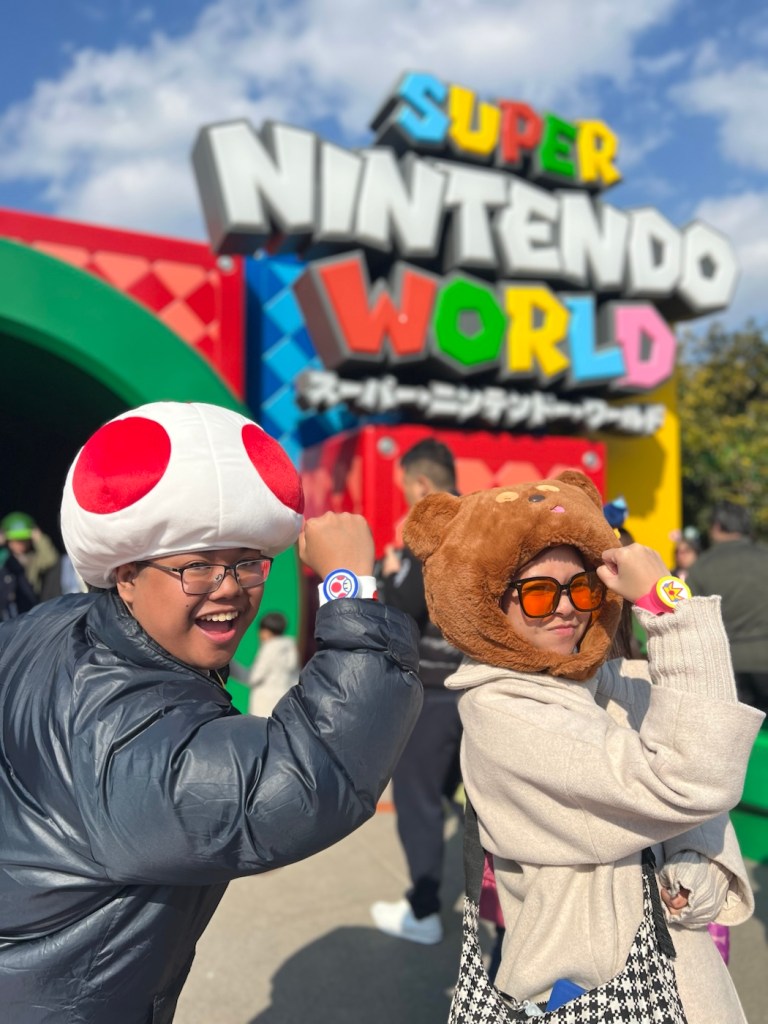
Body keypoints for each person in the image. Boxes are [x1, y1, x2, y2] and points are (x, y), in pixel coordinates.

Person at [0, 401, 422, 1024]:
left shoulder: (54, 625)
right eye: (195, 564)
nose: (228, 587)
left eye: (247, 561)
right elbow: (307, 779)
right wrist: (349, 587)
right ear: (125, 576)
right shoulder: (119, 739)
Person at [403, 470, 763, 1022]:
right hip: (595, 993)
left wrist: (696, 872)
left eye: (583, 588)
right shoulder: (505, 712)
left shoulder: (604, 682)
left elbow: (704, 795)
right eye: (539, 593)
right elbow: (693, 778)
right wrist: (668, 606)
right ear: (488, 602)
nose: (567, 608)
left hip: (674, 976)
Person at [370, 438, 463, 945]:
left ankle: (423, 912)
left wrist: (388, 577)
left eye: (406, 486)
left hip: (433, 690)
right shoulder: (481, 521)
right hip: (478, 685)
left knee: (418, 799)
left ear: (421, 483)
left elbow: (405, 607)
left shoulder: (429, 526)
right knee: (469, 799)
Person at [686, 500, 768, 714]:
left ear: (716, 526)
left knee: (739, 732)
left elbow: (692, 620)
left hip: (728, 666)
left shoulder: (701, 566)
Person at [247, 610, 300, 716]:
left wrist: (231, 667)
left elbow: (253, 678)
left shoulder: (269, 647)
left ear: (266, 631)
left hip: (264, 707)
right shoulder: (291, 648)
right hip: (285, 706)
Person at [0, 510, 62, 601]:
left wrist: (40, 539)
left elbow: (51, 559)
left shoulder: (33, 559)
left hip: (30, 602)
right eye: (16, 540)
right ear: (8, 541)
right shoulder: (4, 558)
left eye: (24, 539)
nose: (20, 544)